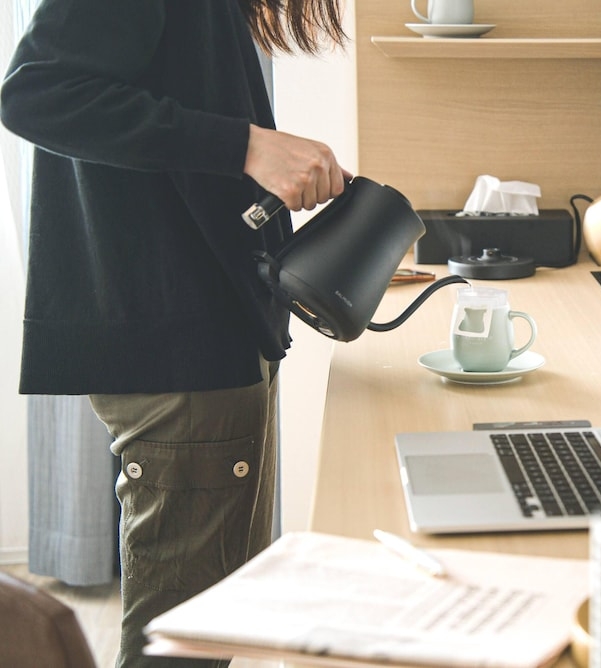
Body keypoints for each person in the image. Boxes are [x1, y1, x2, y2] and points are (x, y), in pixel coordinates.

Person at [1, 0, 350, 665]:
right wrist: (247, 145)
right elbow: (36, 93)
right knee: (188, 641)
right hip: (181, 346)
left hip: (214, 329)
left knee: (213, 620)